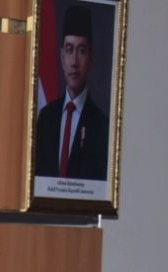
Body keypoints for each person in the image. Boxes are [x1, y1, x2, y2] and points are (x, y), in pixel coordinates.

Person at [35, 3, 109, 181]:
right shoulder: (46, 118)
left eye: (81, 51)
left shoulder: (101, 126)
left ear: (90, 59)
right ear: (62, 58)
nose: (74, 61)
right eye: (69, 50)